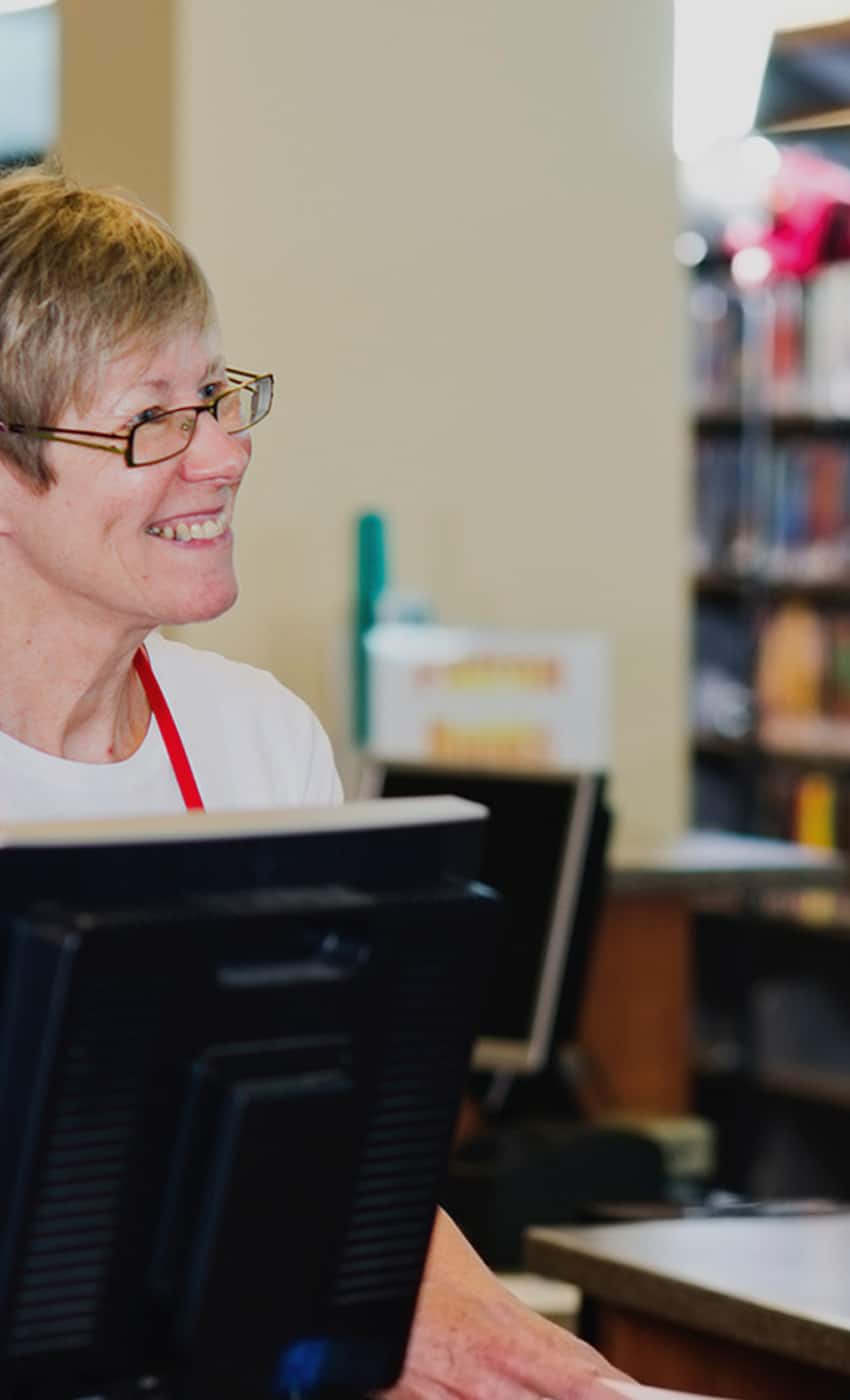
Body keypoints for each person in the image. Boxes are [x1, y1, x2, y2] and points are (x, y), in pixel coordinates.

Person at [0, 165, 629, 1400]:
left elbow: (340, 1157)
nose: (226, 454)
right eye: (154, 420)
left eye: (219, 396)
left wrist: (498, 1341)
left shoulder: (257, 742)